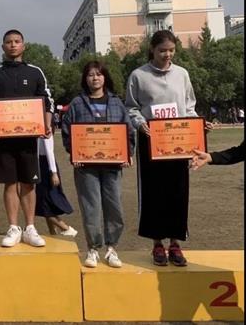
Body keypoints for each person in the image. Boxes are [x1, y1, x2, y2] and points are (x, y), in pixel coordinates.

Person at [126, 30, 209, 267]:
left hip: (179, 142)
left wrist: (198, 125)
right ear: (152, 49)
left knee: (178, 192)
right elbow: (131, 107)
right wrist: (140, 123)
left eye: (171, 50)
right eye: (162, 50)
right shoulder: (138, 75)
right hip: (151, 141)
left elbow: (189, 106)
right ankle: (157, 243)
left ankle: (175, 242)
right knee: (154, 193)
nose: (167, 55)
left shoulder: (182, 74)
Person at [0, 29, 54, 247]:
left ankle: (30, 227)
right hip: (4, 140)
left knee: (29, 183)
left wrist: (47, 124)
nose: (13, 45)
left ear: (23, 45)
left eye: (17, 41)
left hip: (29, 139)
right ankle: (13, 227)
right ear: (3, 46)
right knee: (10, 183)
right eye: (9, 42)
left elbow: (47, 101)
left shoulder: (35, 72)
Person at [63, 61, 134, 268]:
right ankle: (93, 248)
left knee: (114, 206)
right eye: (90, 75)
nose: (95, 78)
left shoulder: (116, 102)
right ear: (85, 79)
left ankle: (112, 248)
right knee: (90, 207)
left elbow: (128, 130)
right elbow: (67, 131)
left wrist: (128, 153)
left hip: (112, 165)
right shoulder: (77, 103)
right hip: (86, 166)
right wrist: (74, 152)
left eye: (99, 74)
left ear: (105, 77)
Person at [35, 135, 77, 238]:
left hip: (45, 166)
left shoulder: (45, 130)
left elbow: (49, 151)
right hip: (41, 164)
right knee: (45, 201)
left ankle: (66, 228)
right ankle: (52, 232)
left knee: (43, 202)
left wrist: (53, 172)